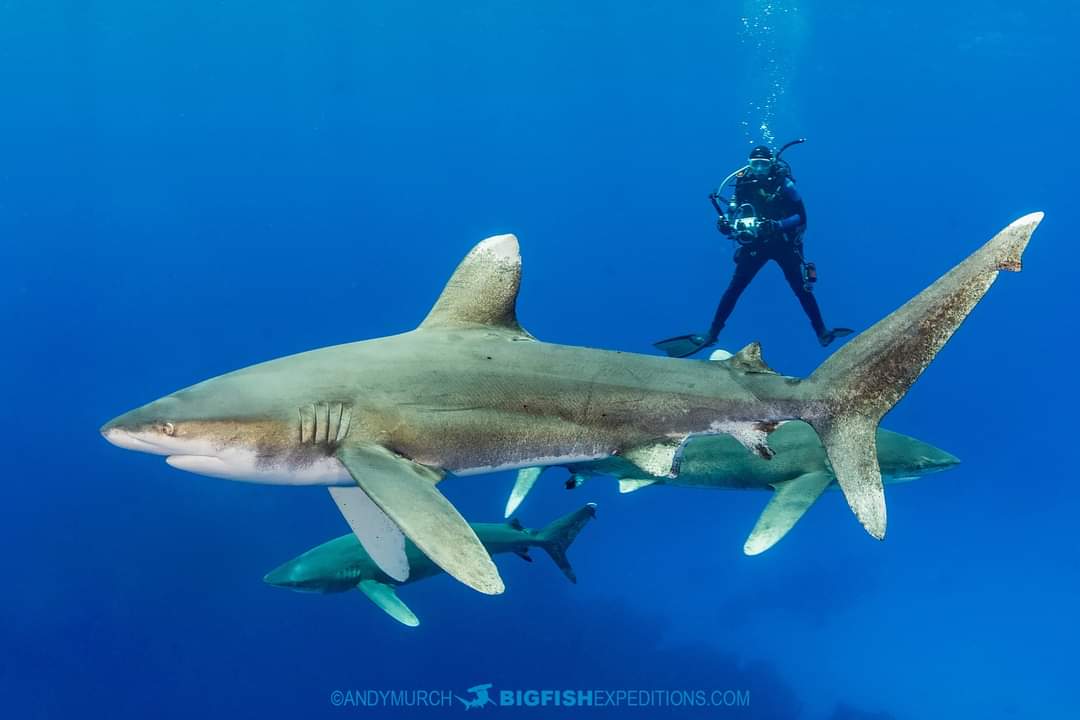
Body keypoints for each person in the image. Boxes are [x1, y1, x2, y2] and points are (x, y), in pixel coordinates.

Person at [654, 143, 851, 358]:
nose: (758, 169)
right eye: (754, 164)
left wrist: (777, 225)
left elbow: (801, 217)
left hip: (784, 242)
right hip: (756, 243)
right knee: (735, 288)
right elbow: (732, 210)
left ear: (771, 164)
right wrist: (725, 223)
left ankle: (822, 331)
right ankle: (712, 333)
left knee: (800, 288)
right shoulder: (742, 182)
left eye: (763, 165)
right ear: (749, 164)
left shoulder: (784, 184)